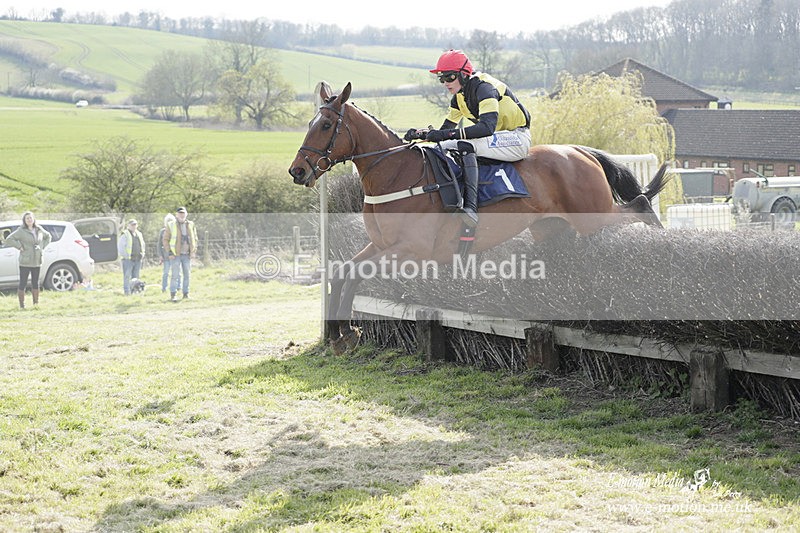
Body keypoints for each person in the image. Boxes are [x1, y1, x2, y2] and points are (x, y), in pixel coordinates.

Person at [405, 49, 531, 227]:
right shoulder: (459, 98)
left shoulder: (484, 88)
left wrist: (445, 135)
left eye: (449, 77)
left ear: (464, 75)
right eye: (441, 79)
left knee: (464, 144)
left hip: (517, 137)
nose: (445, 83)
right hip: (497, 137)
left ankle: (470, 208)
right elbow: (447, 130)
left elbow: (486, 127)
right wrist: (423, 134)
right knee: (443, 146)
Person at [5, 211, 51, 309]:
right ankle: (22, 305)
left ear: (33, 219)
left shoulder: (39, 229)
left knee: (35, 283)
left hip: (37, 260)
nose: (29, 220)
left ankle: (36, 304)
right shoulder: (21, 231)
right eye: (27, 218)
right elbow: (9, 239)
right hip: (25, 261)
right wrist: (19, 246)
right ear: (24, 221)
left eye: (30, 218)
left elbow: (48, 237)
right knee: (23, 283)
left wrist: (42, 247)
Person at [164, 206, 198, 302]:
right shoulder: (170, 225)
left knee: (187, 274)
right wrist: (169, 252)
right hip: (175, 255)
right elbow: (165, 240)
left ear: (186, 214)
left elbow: (195, 238)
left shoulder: (191, 224)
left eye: (183, 213)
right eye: (180, 214)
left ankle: (186, 294)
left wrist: (193, 251)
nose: (182, 215)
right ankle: (173, 295)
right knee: (175, 275)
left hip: (187, 254)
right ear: (176, 215)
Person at [118, 219, 145, 296]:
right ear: (128, 225)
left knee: (136, 277)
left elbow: (143, 244)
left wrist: (143, 254)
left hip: (138, 259)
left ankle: (134, 292)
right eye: (132, 225)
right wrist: (126, 256)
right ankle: (127, 292)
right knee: (127, 276)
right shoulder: (125, 234)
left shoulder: (139, 234)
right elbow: (121, 247)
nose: (134, 226)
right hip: (128, 260)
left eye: (135, 225)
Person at [157, 213, 180, 294]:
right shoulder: (162, 231)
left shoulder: (177, 230)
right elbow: (159, 244)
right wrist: (160, 255)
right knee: (166, 273)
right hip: (166, 256)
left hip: (175, 255)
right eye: (168, 221)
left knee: (177, 272)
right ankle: (164, 288)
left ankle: (178, 287)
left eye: (171, 220)